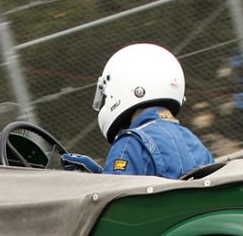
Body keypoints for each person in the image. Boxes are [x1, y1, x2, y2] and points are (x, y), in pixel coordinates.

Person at [61, 43, 215, 179]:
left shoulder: (131, 143)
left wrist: (89, 185)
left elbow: (116, 201)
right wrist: (100, 176)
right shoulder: (192, 140)